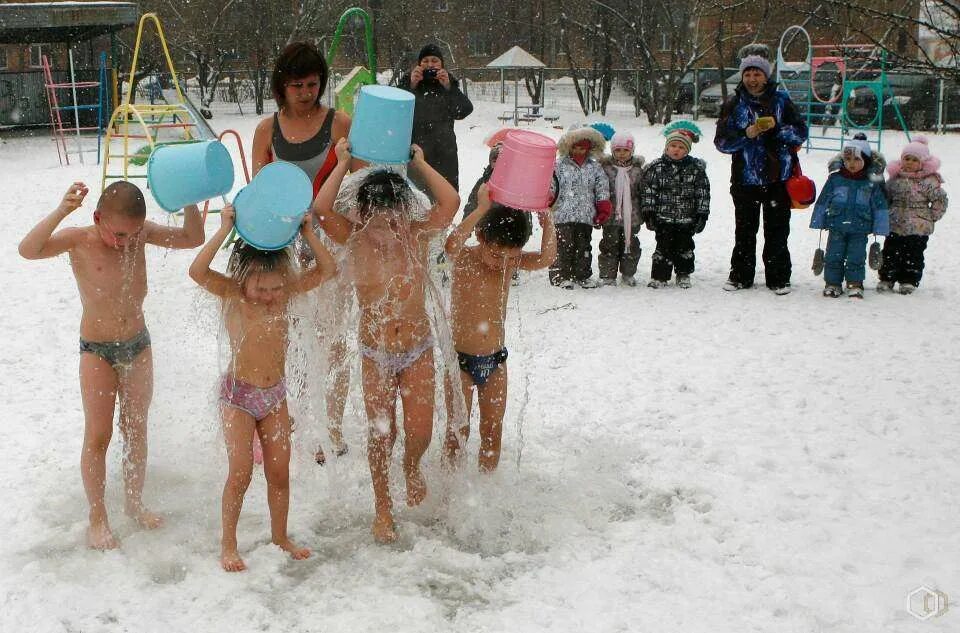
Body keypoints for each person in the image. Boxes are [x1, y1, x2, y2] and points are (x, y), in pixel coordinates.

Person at [18, 181, 204, 550]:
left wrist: (188, 201)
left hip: (138, 346)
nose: (125, 242)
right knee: (99, 436)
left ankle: (134, 503)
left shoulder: (140, 235)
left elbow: (191, 237)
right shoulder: (79, 239)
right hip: (97, 351)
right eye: (118, 234)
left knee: (136, 428)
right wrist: (61, 211)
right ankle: (97, 518)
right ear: (97, 217)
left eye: (132, 234)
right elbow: (28, 250)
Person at [312, 139, 460, 543]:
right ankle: (382, 509)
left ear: (404, 210)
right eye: (379, 217)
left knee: (420, 431)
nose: (388, 225)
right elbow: (321, 211)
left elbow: (451, 203)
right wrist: (341, 163)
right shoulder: (354, 239)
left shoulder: (416, 236)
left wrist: (421, 164)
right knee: (381, 434)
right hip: (376, 354)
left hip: (418, 349)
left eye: (395, 215)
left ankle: (412, 465)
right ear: (362, 213)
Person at [189, 206, 337, 572]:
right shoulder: (232, 293)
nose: (269, 295)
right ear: (243, 279)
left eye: (275, 287)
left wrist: (308, 234)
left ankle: (280, 536)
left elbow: (328, 269)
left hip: (274, 398)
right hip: (238, 397)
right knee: (240, 471)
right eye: (261, 287)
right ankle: (228, 544)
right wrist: (224, 228)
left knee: (279, 472)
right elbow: (197, 271)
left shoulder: (286, 292)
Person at [251, 41, 354, 463]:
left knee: (333, 339)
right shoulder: (266, 129)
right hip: (284, 246)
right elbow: (259, 189)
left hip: (330, 243)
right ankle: (291, 420)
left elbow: (359, 184)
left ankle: (331, 428)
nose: (306, 92)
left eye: (313, 84)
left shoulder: (340, 122)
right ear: (281, 86)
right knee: (288, 339)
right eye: (297, 85)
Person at [443, 185, 556, 471]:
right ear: (481, 238)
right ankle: (451, 487)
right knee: (458, 431)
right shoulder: (465, 259)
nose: (501, 264)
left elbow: (546, 259)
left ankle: (486, 486)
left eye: (510, 257)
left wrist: (548, 222)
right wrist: (480, 209)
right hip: (460, 363)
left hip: (495, 361)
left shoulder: (511, 262)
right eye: (495, 255)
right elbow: (450, 245)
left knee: (493, 430)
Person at [714, 44, 809, 295]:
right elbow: (722, 142)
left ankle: (778, 277)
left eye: (757, 74)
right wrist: (747, 133)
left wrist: (777, 129)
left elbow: (801, 132)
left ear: (766, 76)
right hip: (745, 179)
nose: (752, 79)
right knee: (744, 230)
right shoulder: (734, 104)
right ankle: (740, 276)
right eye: (747, 74)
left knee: (777, 230)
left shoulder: (781, 101)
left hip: (778, 177)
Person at [809, 138, 889, 298]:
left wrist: (880, 226)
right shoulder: (835, 179)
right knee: (833, 255)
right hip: (836, 224)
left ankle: (855, 282)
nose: (851, 163)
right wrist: (818, 219)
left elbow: (879, 205)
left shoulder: (870, 182)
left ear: (865, 160)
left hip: (860, 226)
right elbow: (824, 199)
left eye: (857, 159)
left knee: (856, 256)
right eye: (848, 159)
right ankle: (832, 283)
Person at [641, 122, 711, 289]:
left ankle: (683, 273)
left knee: (684, 246)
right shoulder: (656, 168)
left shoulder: (696, 169)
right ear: (666, 147)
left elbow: (702, 192)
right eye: (673, 145)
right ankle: (659, 275)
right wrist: (649, 212)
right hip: (663, 217)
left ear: (687, 150)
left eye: (681, 147)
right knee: (662, 246)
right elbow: (648, 190)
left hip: (687, 218)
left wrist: (702, 214)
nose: (676, 149)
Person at [397, 43, 474, 192]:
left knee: (445, 197)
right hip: (416, 152)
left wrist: (449, 87)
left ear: (442, 64)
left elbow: (464, 110)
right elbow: (396, 111)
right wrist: (411, 85)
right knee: (416, 200)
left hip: (445, 154)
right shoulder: (410, 84)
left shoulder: (448, 86)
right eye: (425, 61)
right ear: (419, 64)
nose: (430, 65)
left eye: (434, 60)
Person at [878, 136, 948, 294]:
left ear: (923, 163)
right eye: (906, 159)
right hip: (895, 223)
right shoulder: (895, 179)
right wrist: (886, 213)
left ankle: (909, 280)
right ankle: (887, 277)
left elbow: (940, 200)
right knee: (890, 252)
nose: (909, 163)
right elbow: (886, 197)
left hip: (919, 226)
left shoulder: (928, 181)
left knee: (913, 254)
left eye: (914, 160)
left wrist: (931, 216)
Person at [549, 125, 612, 289]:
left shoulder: (595, 167)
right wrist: (548, 199)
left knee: (583, 247)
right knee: (563, 246)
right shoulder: (558, 166)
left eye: (582, 148)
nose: (578, 151)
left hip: (585, 215)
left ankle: (581, 275)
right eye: (575, 147)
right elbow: (551, 184)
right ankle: (560, 275)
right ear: (568, 146)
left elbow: (602, 188)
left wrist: (603, 208)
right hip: (562, 215)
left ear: (589, 148)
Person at [598, 131, 645, 286]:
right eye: (618, 150)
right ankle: (607, 275)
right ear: (612, 151)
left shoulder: (638, 170)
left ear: (632, 151)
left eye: (625, 150)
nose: (622, 154)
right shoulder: (605, 169)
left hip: (632, 216)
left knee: (630, 245)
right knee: (609, 245)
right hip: (611, 216)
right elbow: (600, 190)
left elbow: (642, 192)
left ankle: (628, 273)